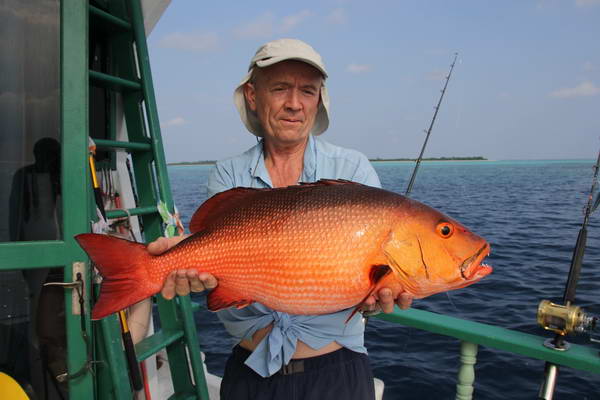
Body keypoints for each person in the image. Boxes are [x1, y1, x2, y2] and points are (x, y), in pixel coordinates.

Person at [148, 38, 413, 399]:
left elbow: (368, 282)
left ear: (319, 99)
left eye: (307, 90)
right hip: (250, 373)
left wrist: (377, 297)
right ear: (253, 96)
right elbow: (219, 261)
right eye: (280, 88)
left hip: (337, 373)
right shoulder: (228, 174)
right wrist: (186, 264)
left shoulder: (352, 169)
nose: (294, 103)